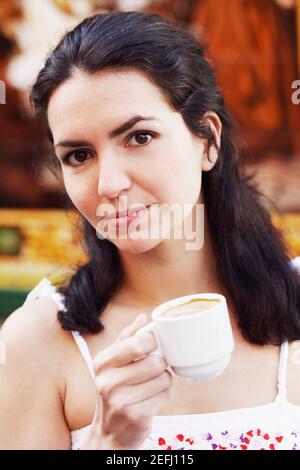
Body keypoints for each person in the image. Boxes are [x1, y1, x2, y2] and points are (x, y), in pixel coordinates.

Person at [1, 11, 300, 450]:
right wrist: (108, 441)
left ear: (208, 141)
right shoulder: (38, 341)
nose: (109, 184)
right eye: (79, 156)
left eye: (139, 138)